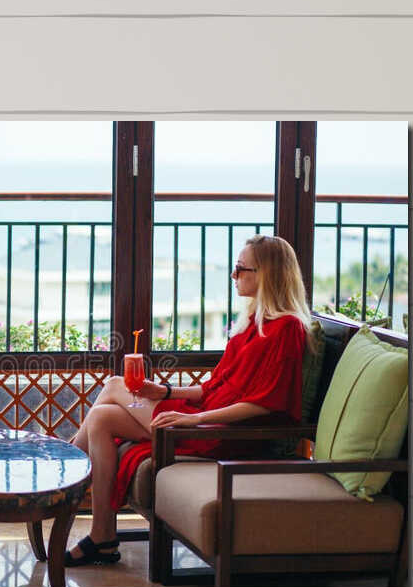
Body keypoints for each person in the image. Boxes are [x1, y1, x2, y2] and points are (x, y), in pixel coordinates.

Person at [63, 234, 314, 567]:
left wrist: (193, 420)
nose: (234, 276)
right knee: (101, 418)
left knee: (112, 385)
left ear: (267, 274)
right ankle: (102, 536)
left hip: (221, 432)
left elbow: (265, 404)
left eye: (241, 269)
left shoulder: (287, 330)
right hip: (207, 416)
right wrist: (165, 392)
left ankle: (62, 473)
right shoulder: (254, 324)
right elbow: (213, 387)